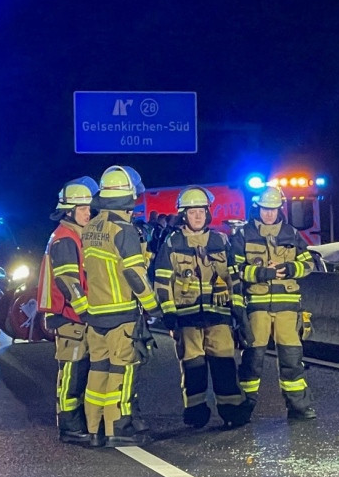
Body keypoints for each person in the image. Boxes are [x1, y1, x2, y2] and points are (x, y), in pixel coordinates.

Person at [80, 165, 163, 447]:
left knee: (98, 372)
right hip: (121, 315)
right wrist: (153, 307)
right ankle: (119, 428)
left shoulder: (90, 227)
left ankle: (94, 430)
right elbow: (134, 274)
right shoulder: (124, 230)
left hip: (96, 316)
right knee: (122, 372)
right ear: (130, 196)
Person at [154, 187, 248, 428]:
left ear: (208, 213)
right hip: (187, 318)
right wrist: (168, 312)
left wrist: (237, 308)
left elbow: (233, 278)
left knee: (225, 365)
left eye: (201, 212)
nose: (197, 216)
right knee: (193, 368)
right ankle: (196, 413)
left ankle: (232, 411)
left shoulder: (221, 241)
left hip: (219, 316)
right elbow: (162, 281)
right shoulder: (172, 243)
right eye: (192, 212)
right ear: (184, 215)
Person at [229, 186, 317, 421]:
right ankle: (244, 407)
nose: (269, 214)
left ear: (280, 208)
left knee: (292, 359)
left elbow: (309, 264)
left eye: (273, 209)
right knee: (252, 360)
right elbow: (234, 270)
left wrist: (290, 268)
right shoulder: (244, 235)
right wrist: (260, 273)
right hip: (257, 306)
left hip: (288, 307)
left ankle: (299, 407)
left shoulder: (292, 234)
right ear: (258, 208)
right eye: (265, 209)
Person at [37, 177, 97, 444]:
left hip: (72, 315)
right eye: (83, 208)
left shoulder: (71, 235)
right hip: (69, 316)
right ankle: (70, 426)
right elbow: (68, 281)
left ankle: (77, 420)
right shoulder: (64, 239)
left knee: (80, 369)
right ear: (69, 210)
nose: (89, 212)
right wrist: (85, 312)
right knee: (72, 371)